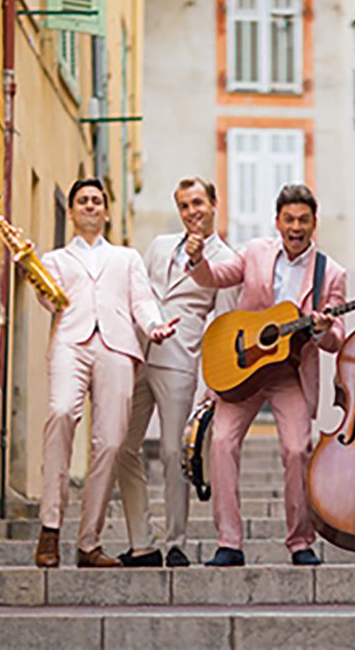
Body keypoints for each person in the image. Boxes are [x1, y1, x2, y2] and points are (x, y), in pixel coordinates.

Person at [186, 183, 347, 566]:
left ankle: (301, 542)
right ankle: (229, 543)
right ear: (277, 222)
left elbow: (337, 339)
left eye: (303, 220)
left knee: (296, 449)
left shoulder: (331, 273)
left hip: (290, 373)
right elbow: (216, 276)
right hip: (242, 367)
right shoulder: (255, 251)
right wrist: (196, 260)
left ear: (314, 223)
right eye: (289, 219)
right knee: (221, 442)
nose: (296, 227)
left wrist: (322, 330)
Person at [33, 178, 177, 568]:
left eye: (97, 200)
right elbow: (49, 301)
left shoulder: (126, 257)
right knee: (61, 412)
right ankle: (50, 527)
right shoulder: (54, 259)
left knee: (111, 443)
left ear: (107, 212)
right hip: (71, 343)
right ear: (72, 211)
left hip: (117, 348)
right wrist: (32, 271)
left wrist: (154, 326)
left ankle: (88, 543)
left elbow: (141, 300)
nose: (90, 205)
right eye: (82, 200)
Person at [116, 177, 239, 567]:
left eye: (198, 203)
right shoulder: (158, 245)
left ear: (214, 203)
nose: (191, 212)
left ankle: (175, 543)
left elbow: (224, 326)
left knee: (173, 452)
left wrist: (215, 384)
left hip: (179, 360)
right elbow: (139, 294)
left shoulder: (227, 261)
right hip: (138, 353)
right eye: (184, 205)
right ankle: (142, 542)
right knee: (122, 447)